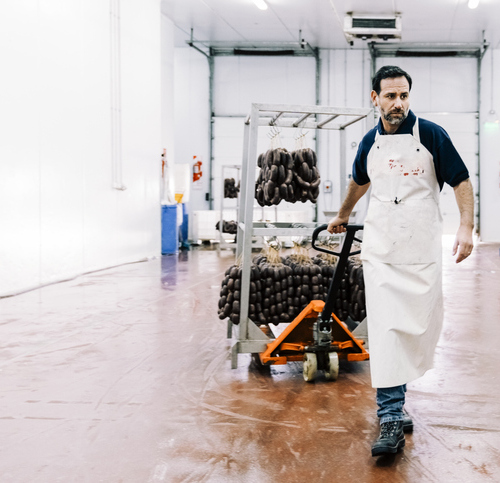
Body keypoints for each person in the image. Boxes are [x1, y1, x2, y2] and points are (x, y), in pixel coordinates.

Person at [327, 65, 474, 457]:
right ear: (374, 98)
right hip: (381, 251)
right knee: (388, 331)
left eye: (404, 95)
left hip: (421, 249)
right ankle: (390, 415)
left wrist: (465, 227)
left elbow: (460, 180)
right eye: (390, 96)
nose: (398, 103)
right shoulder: (369, 142)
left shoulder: (430, 135)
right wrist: (342, 214)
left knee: (414, 330)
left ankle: (397, 398)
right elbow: (359, 181)